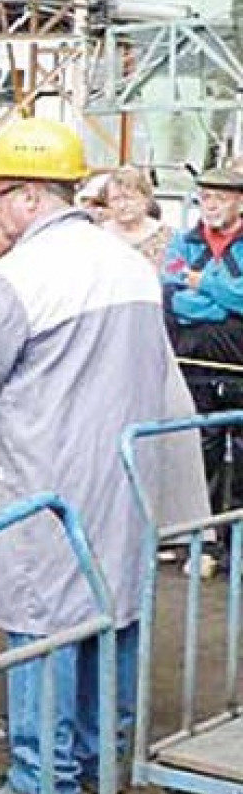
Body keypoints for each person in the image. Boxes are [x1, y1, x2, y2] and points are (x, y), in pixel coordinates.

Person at [0, 118, 199, 794]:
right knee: (114, 612)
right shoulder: (132, 267)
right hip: (128, 474)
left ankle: (41, 777)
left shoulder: (21, 275)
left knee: (41, 619)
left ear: (27, 197)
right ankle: (106, 762)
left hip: (47, 479)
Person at [162, 166, 243, 561]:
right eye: (205, 197)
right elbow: (174, 294)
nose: (210, 205)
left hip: (237, 363)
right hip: (192, 359)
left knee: (241, 455)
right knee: (199, 450)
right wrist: (220, 296)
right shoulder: (184, 242)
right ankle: (201, 542)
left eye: (221, 198)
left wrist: (202, 283)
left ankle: (236, 546)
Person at [102, 165, 172, 271]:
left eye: (129, 198)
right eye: (115, 199)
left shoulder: (168, 236)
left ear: (146, 198)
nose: (122, 205)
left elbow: (179, 271)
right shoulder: (98, 233)